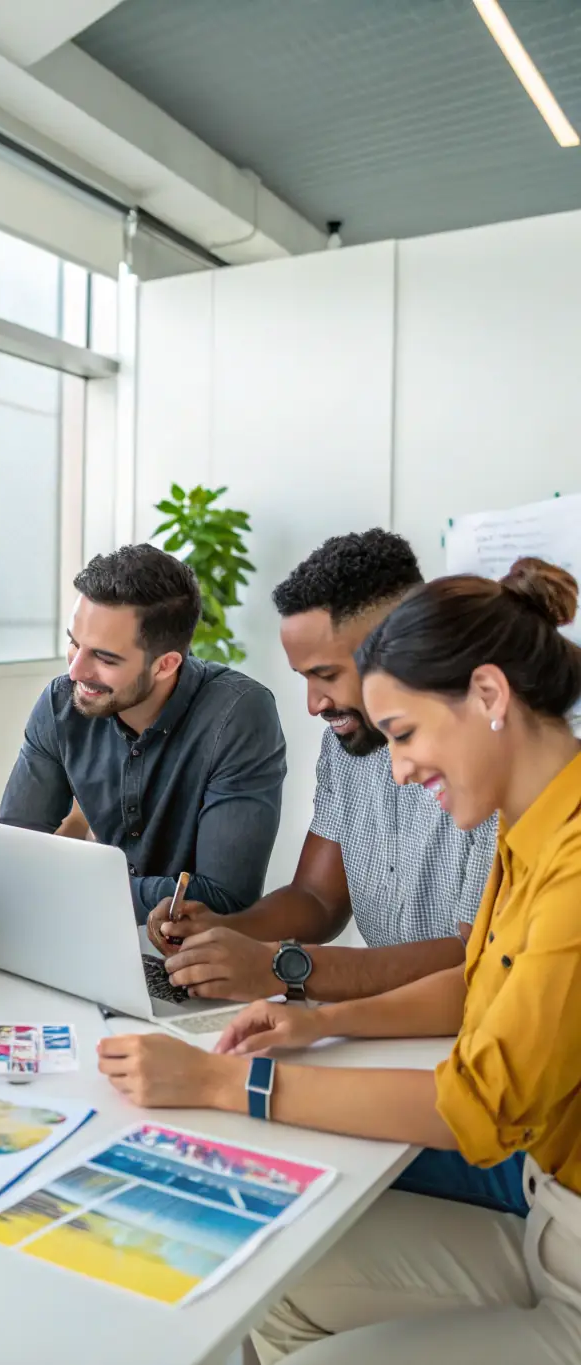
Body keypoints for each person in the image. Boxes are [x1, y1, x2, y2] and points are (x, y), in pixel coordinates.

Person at [99, 557, 581, 1364]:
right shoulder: (532, 819)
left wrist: (227, 1083)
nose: (396, 768)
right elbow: (477, 981)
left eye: (407, 733)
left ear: (490, 696)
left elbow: (478, 1108)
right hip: (548, 1222)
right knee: (277, 1272)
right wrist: (317, 1020)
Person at [148, 530, 496, 1002]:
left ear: (405, 646)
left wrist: (287, 969)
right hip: (386, 1021)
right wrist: (224, 932)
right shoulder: (348, 742)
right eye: (304, 678)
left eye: (327, 675)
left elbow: (477, 961)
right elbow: (318, 898)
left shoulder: (496, 761)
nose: (314, 705)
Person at [0, 543, 287, 920]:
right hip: (86, 929)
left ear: (165, 665)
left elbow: (223, 898)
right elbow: (13, 847)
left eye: (104, 657)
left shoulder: (238, 715)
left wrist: (65, 884)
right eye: (74, 643)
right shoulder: (61, 702)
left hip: (187, 955)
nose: (75, 672)